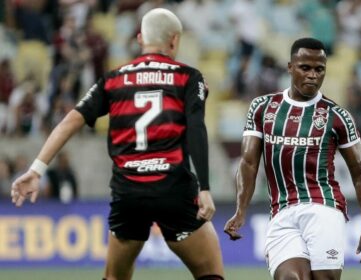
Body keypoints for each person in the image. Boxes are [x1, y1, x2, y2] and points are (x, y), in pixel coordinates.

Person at [10, 8, 224, 280]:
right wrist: (205, 188)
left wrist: (36, 169)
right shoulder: (188, 76)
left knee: (115, 277)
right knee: (210, 273)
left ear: (139, 38)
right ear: (174, 40)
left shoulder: (113, 79)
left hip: (129, 194)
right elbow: (196, 128)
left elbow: (69, 121)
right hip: (174, 190)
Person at [224, 38, 361, 280]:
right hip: (282, 211)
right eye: (305, 67)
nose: (313, 75)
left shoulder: (337, 115)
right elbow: (248, 163)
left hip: (325, 208)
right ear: (290, 67)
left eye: (319, 69)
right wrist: (240, 210)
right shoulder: (263, 108)